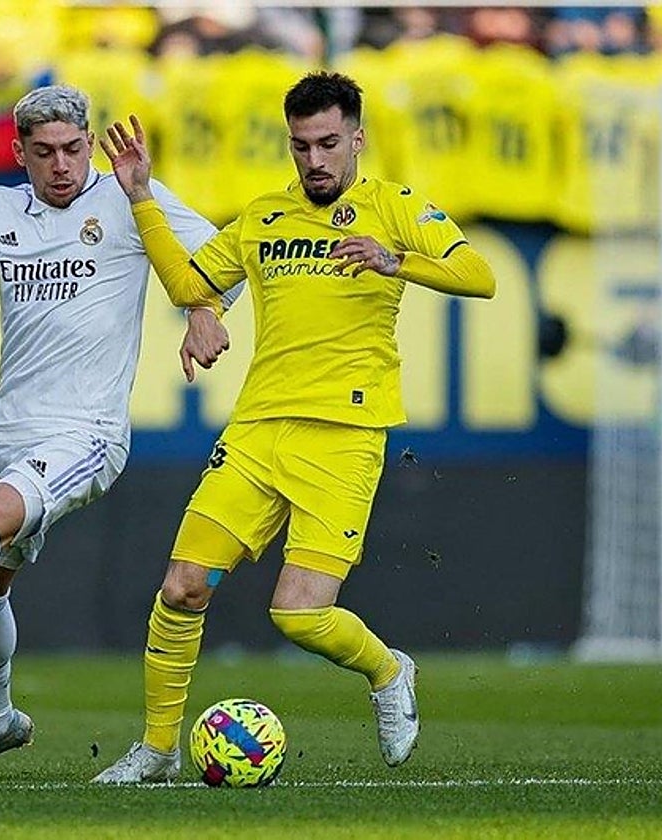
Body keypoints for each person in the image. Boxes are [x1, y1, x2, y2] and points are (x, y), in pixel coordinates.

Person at [91, 71, 496, 783]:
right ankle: (157, 750)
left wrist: (396, 259)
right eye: (301, 145)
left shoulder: (394, 208)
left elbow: (480, 274)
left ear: (357, 140)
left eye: (329, 144)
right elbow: (191, 286)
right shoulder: (262, 218)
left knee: (300, 616)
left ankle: (388, 670)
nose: (315, 161)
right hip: (257, 431)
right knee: (183, 586)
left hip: (345, 435)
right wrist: (141, 197)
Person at [0, 84, 236, 781]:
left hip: (87, 432)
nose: (62, 165)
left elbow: (224, 266)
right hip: (7, 434)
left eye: (73, 149)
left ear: (90, 143)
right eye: (45, 152)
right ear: (18, 152)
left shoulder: (128, 196)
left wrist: (202, 310)